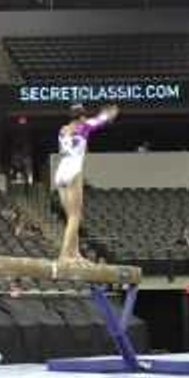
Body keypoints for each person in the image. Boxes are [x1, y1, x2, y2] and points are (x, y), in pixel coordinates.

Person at [54, 102, 119, 263]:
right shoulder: (83, 126)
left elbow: (64, 149)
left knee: (71, 217)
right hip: (74, 169)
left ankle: (75, 253)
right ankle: (64, 255)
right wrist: (109, 114)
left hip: (61, 169)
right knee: (76, 216)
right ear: (82, 117)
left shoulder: (63, 130)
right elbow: (100, 120)